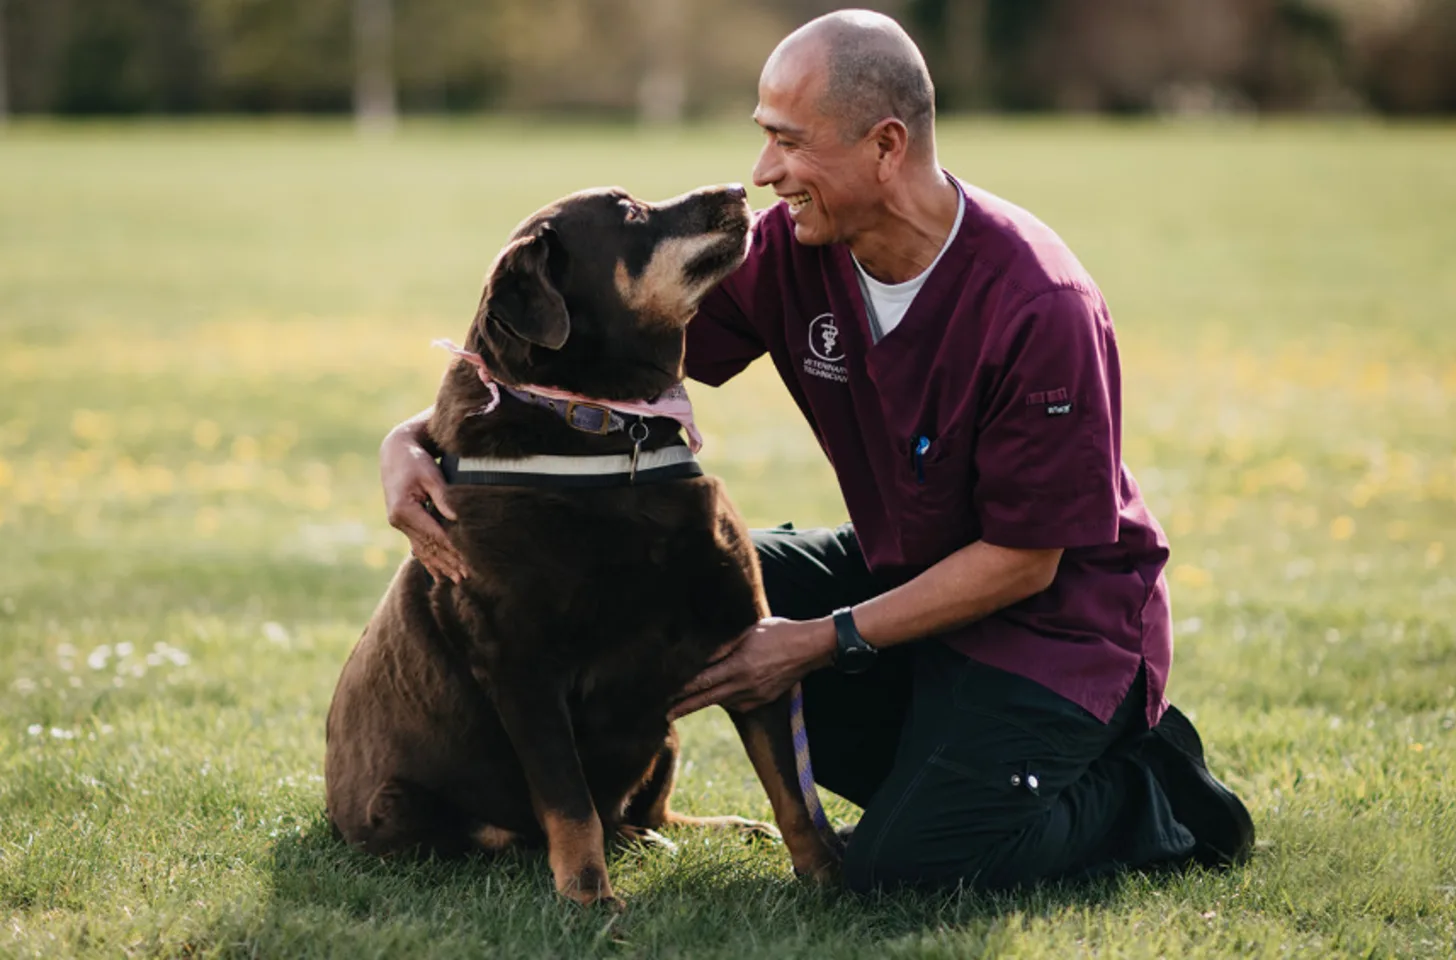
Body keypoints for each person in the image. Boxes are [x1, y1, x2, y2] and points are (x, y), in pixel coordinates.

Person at [379, 9, 1253, 892]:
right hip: (907, 577)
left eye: (789, 145)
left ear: (884, 146)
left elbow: (1026, 563)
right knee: (682, 592)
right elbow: (589, 363)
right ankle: (953, 771)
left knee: (908, 871)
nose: (763, 175)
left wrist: (818, 641)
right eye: (765, 139)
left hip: (1056, 632)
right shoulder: (796, 250)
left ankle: (1150, 788)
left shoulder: (1040, 302)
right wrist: (413, 435)